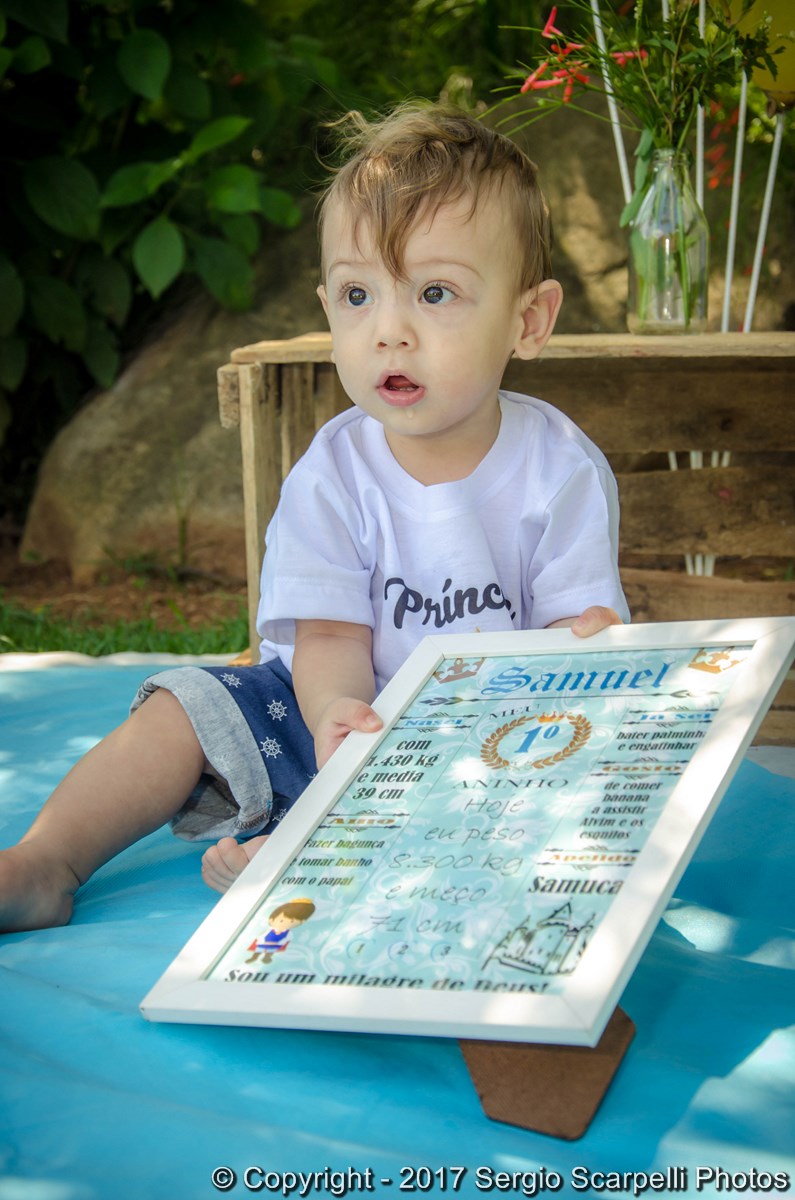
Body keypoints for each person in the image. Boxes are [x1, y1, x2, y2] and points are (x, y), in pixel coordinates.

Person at [0, 103, 629, 933]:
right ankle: (46, 861)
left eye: (435, 293)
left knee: (554, 787)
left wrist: (585, 637)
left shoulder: (557, 466)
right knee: (185, 707)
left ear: (528, 321)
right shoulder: (334, 469)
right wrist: (336, 714)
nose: (389, 332)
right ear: (327, 305)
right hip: (323, 712)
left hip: (479, 743)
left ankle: (304, 850)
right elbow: (328, 633)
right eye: (358, 295)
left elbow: (570, 637)